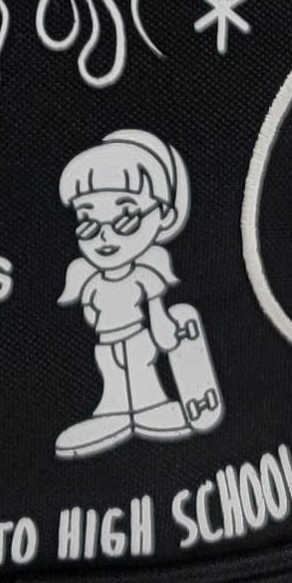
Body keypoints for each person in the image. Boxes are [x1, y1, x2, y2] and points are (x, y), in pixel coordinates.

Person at [54, 129, 222, 457]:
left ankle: (151, 408)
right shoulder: (89, 282)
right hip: (106, 343)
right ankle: (114, 413)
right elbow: (91, 311)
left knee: (143, 372)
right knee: (113, 376)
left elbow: (157, 313)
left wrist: (167, 334)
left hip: (140, 337)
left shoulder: (146, 276)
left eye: (126, 218)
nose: (105, 236)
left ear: (164, 215)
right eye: (87, 222)